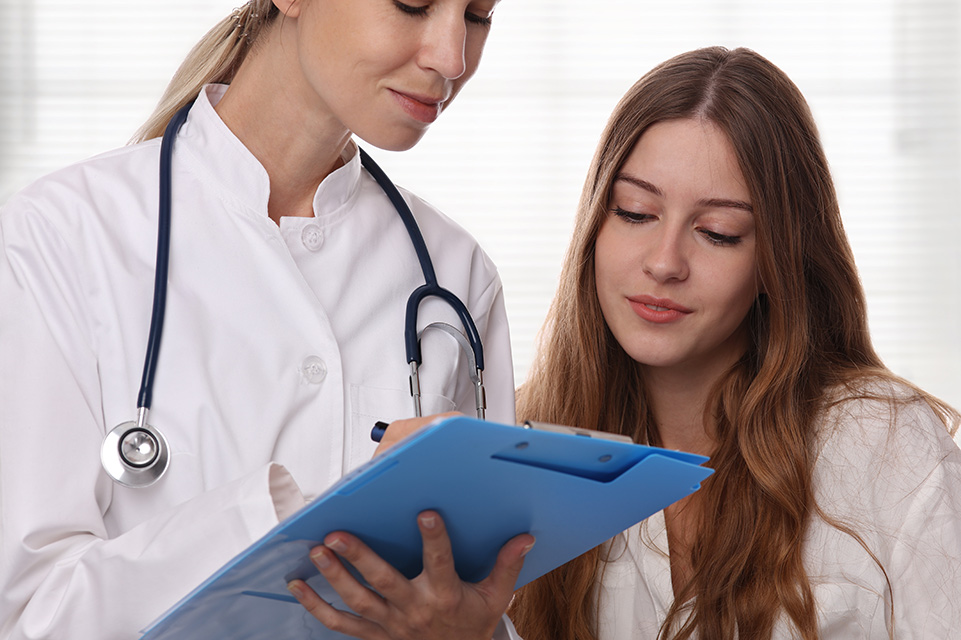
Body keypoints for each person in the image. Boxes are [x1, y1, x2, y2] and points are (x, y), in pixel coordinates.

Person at [0, 1, 532, 638]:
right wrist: (281, 520)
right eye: (413, 3)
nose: (453, 57)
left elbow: (480, 592)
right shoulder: (59, 237)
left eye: (477, 15)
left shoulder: (455, 274)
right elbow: (30, 612)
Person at [506, 46, 961, 639]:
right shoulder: (525, 444)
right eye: (635, 212)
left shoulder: (885, 450)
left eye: (718, 233)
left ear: (777, 260)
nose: (665, 263)